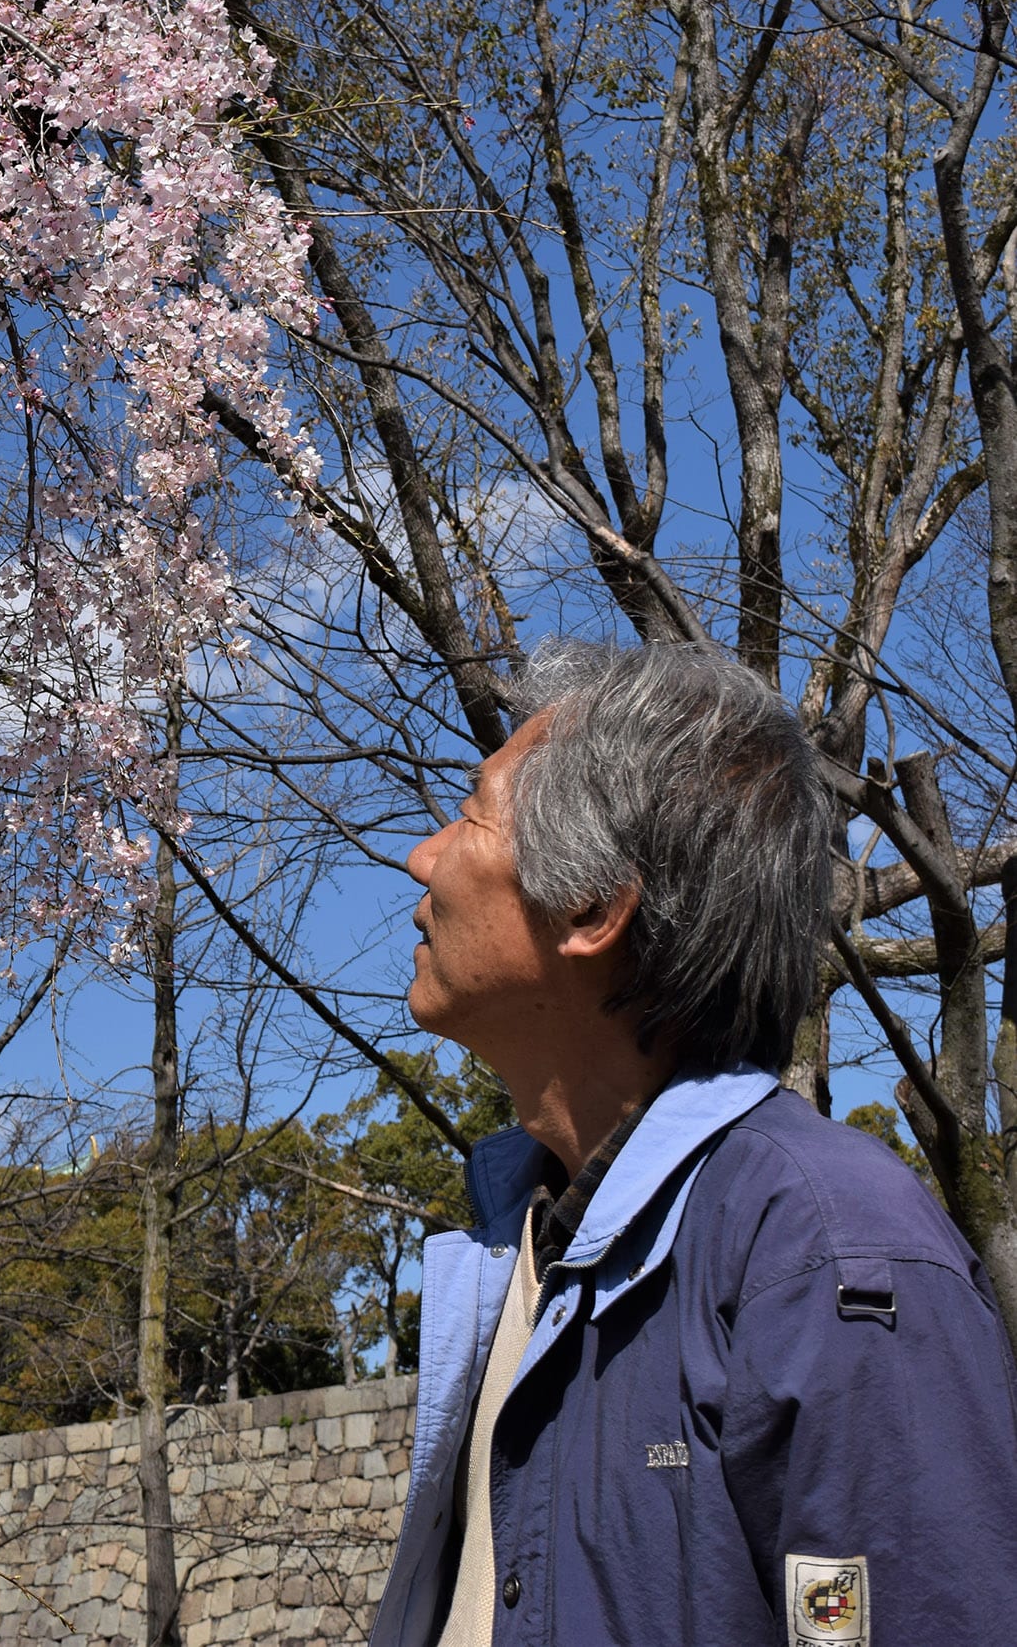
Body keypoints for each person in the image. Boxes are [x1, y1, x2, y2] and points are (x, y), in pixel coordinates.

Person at [369, 640, 1017, 1647]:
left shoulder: (824, 1247)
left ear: (592, 907)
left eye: (469, 812)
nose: (422, 854)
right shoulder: (516, 1246)